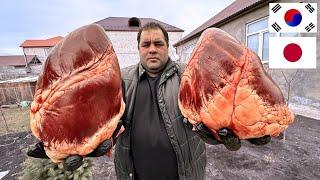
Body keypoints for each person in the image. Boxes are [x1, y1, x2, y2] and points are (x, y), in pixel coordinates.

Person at [27, 22, 270, 179]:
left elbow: (211, 120)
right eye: (146, 44)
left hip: (184, 174)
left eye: (158, 44)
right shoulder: (119, 81)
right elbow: (102, 121)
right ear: (139, 49)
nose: (152, 49)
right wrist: (81, 142)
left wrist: (227, 136)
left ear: (167, 47)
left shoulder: (190, 78)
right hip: (134, 175)